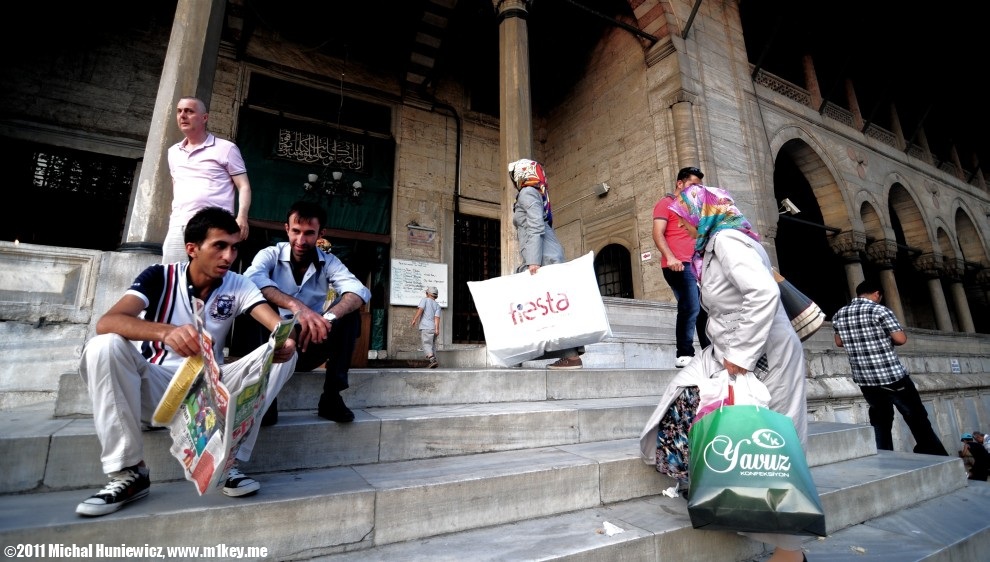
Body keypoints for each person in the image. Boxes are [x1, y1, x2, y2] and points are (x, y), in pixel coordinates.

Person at [75, 207, 297, 517]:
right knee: (104, 345)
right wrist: (166, 332)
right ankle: (129, 472)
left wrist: (284, 340)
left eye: (234, 247)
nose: (229, 256)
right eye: (219, 245)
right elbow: (108, 321)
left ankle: (228, 460)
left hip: (209, 392)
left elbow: (274, 324)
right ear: (192, 249)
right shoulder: (159, 276)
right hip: (158, 389)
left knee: (283, 355)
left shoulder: (238, 284)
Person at [640, 184, 809, 562]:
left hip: (763, 356)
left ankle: (790, 550)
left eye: (685, 216)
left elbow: (763, 294)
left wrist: (742, 354)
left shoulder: (730, 241)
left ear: (703, 212)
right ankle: (709, 483)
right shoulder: (714, 246)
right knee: (685, 397)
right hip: (730, 350)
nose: (681, 225)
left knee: (774, 448)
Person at [244, 200, 371, 422]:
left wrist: (327, 318)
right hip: (274, 344)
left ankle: (332, 397)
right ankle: (265, 399)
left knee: (349, 314)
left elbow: (358, 291)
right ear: (286, 229)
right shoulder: (270, 254)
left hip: (311, 341)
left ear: (321, 233)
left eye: (309, 233)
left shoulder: (329, 262)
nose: (301, 240)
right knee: (256, 303)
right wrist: (296, 307)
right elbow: (251, 279)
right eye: (295, 231)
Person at [832, 280, 949, 456]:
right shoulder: (880, 310)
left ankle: (884, 456)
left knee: (880, 420)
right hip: (892, 376)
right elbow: (901, 339)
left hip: (865, 379)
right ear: (877, 293)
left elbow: (839, 342)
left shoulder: (840, 314)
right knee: (916, 417)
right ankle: (935, 455)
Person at [509, 158, 583, 370]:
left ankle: (569, 356)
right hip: (543, 257)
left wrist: (532, 262)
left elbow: (535, 226)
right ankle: (526, 354)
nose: (514, 179)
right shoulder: (532, 192)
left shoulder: (527, 193)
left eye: (515, 174)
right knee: (541, 309)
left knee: (545, 309)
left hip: (543, 260)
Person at [162, 96, 252, 263]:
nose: (182, 116)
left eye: (189, 111)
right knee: (173, 277)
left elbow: (244, 186)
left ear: (204, 118)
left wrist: (242, 217)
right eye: (179, 111)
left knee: (210, 280)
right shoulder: (173, 152)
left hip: (214, 226)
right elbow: (177, 186)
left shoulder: (226, 148)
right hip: (179, 225)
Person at [652, 166, 711, 367]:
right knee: (690, 305)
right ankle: (684, 353)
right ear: (680, 183)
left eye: (699, 186)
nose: (697, 189)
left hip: (694, 265)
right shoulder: (666, 203)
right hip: (676, 265)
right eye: (693, 184)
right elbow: (657, 233)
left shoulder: (691, 208)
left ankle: (709, 352)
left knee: (704, 308)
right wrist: (670, 257)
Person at [411, 286, 441, 368]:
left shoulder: (424, 300)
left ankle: (432, 360)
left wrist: (414, 319)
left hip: (426, 327)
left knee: (426, 344)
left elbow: (420, 310)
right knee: (432, 345)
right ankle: (434, 360)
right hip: (433, 328)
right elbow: (437, 318)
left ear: (427, 293)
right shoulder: (437, 306)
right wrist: (437, 329)